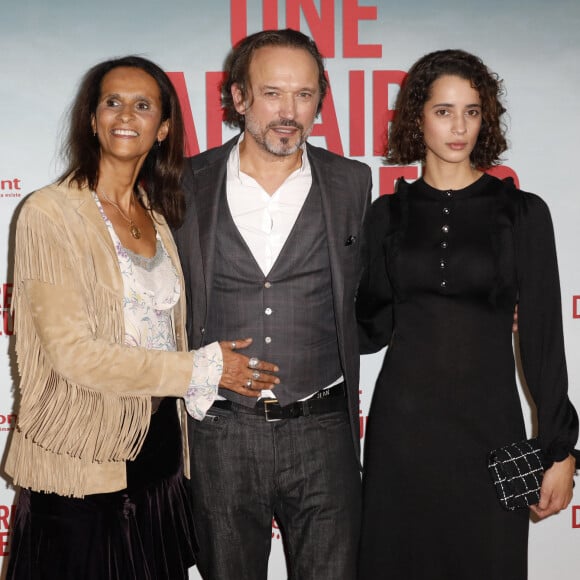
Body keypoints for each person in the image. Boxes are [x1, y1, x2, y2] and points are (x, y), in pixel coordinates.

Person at [4, 55, 279, 580]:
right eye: (112, 102)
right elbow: (72, 355)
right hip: (80, 469)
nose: (125, 114)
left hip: (159, 464)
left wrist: (211, 372)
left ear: (164, 127)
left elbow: (165, 332)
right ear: (92, 119)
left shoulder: (156, 215)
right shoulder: (49, 212)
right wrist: (200, 368)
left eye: (143, 105)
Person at [356, 49, 579, 580]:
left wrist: (561, 450)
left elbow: (544, 338)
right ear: (417, 117)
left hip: (492, 434)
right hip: (401, 436)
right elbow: (370, 329)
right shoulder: (388, 214)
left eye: (472, 111)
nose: (460, 127)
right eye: (443, 111)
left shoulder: (521, 212)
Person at [173, 28, 372, 580]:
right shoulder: (188, 181)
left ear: (319, 101)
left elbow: (372, 297)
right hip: (221, 431)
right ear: (238, 98)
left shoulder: (353, 182)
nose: (289, 111)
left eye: (304, 95)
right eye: (272, 93)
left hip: (323, 428)